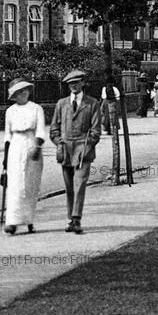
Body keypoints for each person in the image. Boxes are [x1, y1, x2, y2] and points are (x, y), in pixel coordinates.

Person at [50, 69, 101, 235]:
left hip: (83, 150)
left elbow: (95, 131)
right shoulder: (61, 104)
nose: (73, 86)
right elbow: (54, 129)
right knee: (69, 187)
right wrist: (59, 143)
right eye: (70, 84)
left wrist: (86, 148)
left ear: (82, 83)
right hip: (65, 150)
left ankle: (77, 218)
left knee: (80, 184)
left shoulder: (92, 103)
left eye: (76, 82)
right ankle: (71, 219)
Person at [2, 78, 45, 235]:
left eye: (25, 90)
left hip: (32, 144)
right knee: (14, 185)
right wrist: (5, 159)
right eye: (19, 91)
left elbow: (40, 130)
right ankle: (11, 222)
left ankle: (29, 220)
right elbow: (7, 135)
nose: (23, 93)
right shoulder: (10, 111)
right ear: (15, 95)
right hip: (16, 145)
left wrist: (37, 147)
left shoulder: (36, 108)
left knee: (30, 185)